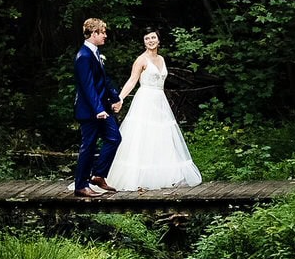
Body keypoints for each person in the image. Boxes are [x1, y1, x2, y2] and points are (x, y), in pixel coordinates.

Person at [105, 27, 202, 190]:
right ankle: (138, 177)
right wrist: (120, 98)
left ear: (158, 40)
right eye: (147, 38)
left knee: (162, 136)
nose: (150, 41)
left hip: (160, 101)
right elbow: (132, 80)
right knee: (143, 136)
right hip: (146, 99)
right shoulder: (141, 60)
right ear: (144, 42)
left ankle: (168, 176)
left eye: (153, 38)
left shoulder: (162, 59)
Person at [72, 17, 123, 199]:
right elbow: (87, 86)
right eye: (103, 32)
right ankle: (81, 185)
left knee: (114, 138)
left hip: (103, 107)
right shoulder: (83, 56)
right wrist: (97, 109)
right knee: (89, 146)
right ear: (94, 34)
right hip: (91, 111)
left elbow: (103, 80)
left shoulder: (95, 53)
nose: (106, 36)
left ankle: (98, 174)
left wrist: (116, 98)